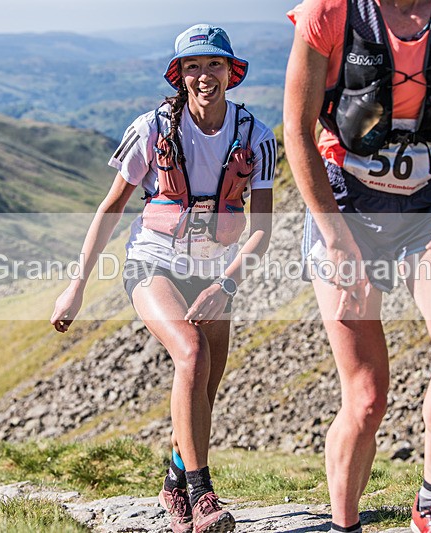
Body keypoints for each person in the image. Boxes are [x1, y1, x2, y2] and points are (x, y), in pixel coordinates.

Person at [283, 0, 431, 532]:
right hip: (344, 205)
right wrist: (335, 239)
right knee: (366, 398)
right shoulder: (329, 12)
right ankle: (344, 525)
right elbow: (297, 130)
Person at [51, 24, 276, 533]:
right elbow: (111, 209)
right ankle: (202, 498)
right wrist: (77, 285)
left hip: (216, 274)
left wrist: (228, 285)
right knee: (190, 353)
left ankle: (174, 484)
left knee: (204, 393)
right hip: (152, 262)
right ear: (179, 76)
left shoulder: (256, 137)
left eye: (214, 65)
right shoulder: (152, 128)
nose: (204, 76)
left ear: (230, 73)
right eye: (193, 67)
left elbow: (261, 233)